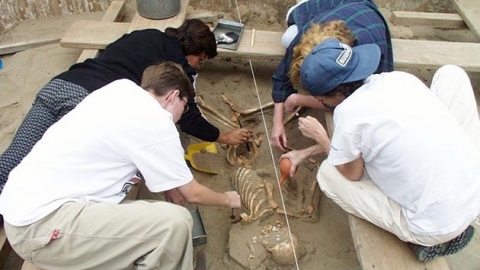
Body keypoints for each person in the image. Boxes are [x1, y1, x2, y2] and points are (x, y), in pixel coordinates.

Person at [0, 61, 241, 269]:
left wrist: (169, 184)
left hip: (25, 205)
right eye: (184, 106)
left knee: (154, 214)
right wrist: (229, 199)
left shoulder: (120, 90)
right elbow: (194, 193)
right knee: (175, 224)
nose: (181, 115)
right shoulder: (157, 121)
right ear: (173, 96)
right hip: (39, 227)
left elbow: (135, 146)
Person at [0, 19, 251, 195]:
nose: (199, 66)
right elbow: (189, 115)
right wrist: (223, 136)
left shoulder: (146, 34)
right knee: (54, 170)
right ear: (193, 50)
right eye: (202, 59)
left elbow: (110, 52)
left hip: (61, 86)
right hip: (87, 103)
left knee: (14, 157)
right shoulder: (175, 64)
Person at [282, 38, 480, 262]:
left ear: (328, 96)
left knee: (328, 174)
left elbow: (352, 173)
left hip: (434, 225)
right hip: (473, 191)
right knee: (450, 74)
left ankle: (420, 240)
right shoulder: (398, 79)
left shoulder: (348, 115)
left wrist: (322, 137)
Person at [270, 0, 394, 151]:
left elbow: (352, 161)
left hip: (359, 10)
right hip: (330, 7)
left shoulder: (376, 65)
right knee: (288, 38)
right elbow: (282, 75)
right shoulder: (310, 40)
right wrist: (277, 122)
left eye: (320, 99)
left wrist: (301, 99)